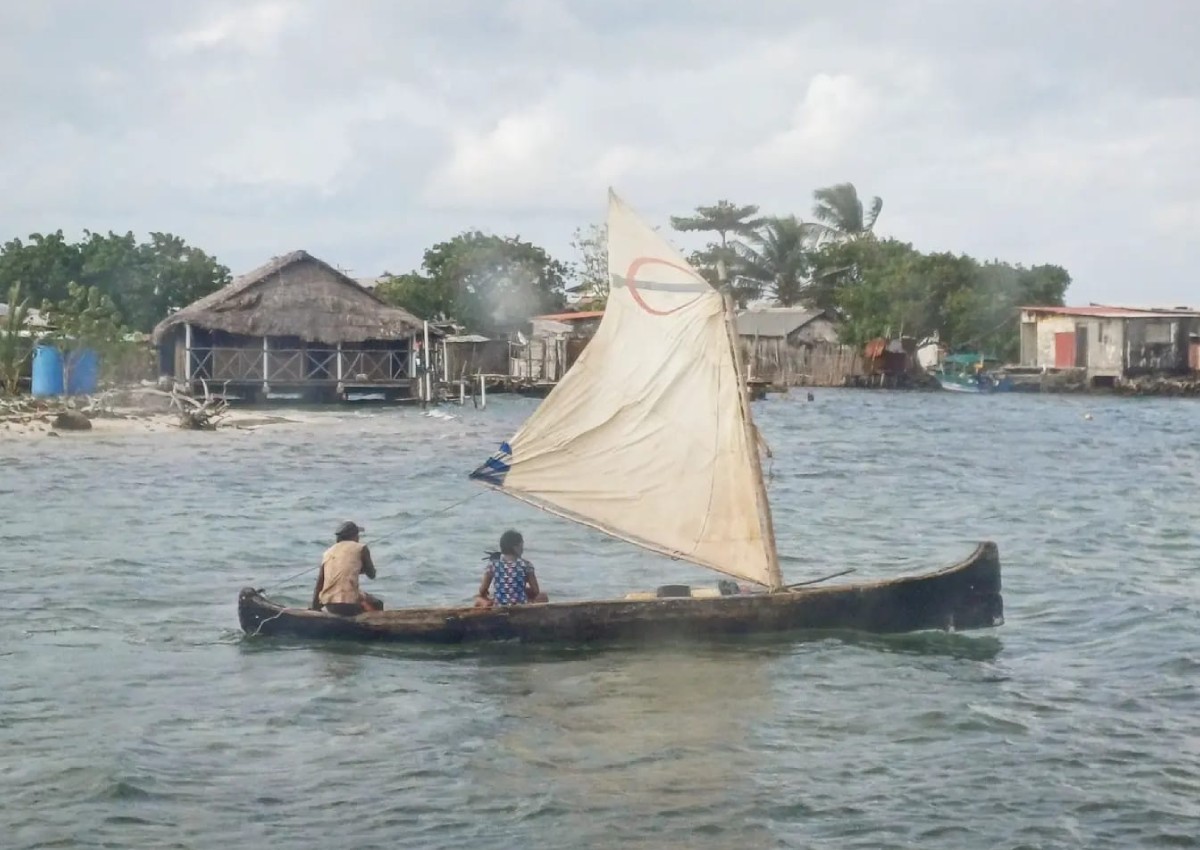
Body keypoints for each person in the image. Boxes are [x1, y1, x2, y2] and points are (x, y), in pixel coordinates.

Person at [311, 521, 384, 616]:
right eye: (357, 535)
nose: (358, 538)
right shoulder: (361, 548)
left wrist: (314, 609)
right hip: (349, 604)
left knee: (361, 597)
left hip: (329, 604)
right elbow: (372, 574)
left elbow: (319, 584)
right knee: (377, 604)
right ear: (353, 536)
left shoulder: (328, 552)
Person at [474, 529, 549, 608]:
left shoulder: (493, 564)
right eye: (521, 546)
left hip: (499, 605)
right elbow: (535, 591)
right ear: (515, 547)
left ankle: (487, 605)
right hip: (520, 605)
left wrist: (486, 594)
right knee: (543, 596)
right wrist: (523, 589)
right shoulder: (526, 565)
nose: (522, 550)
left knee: (478, 598)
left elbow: (482, 590)